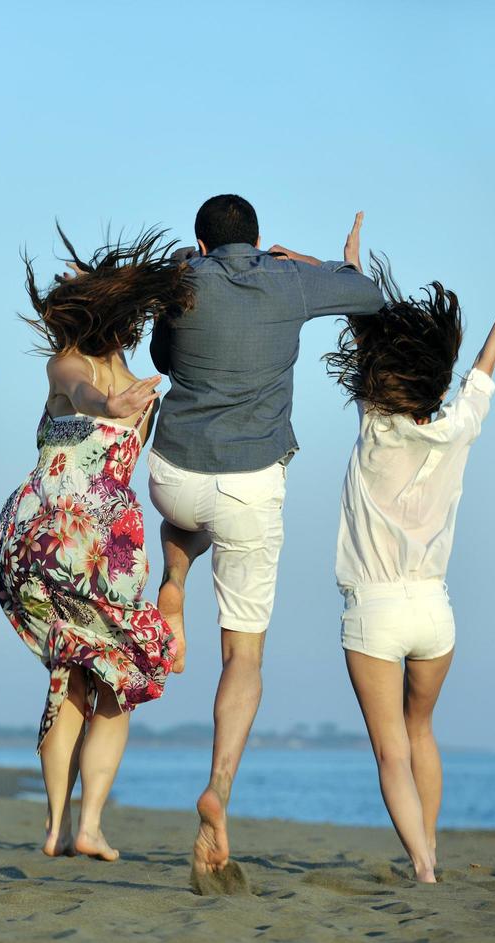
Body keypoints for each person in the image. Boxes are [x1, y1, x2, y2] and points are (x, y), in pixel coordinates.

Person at [145, 198, 383, 886]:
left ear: (200, 240)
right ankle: (218, 785)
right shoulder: (288, 280)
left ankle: (173, 582)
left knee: (184, 521)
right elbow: (367, 295)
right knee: (242, 656)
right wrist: (307, 264)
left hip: (173, 473)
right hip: (251, 487)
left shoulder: (181, 280)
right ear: (257, 239)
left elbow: (160, 356)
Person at [325, 241, 495, 883]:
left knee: (388, 749)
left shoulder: (377, 426)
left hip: (374, 610)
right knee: (420, 731)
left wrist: (353, 276)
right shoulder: (460, 428)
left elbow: (370, 347)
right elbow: (484, 364)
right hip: (435, 612)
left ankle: (423, 865)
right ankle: (431, 850)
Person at [0, 228, 190, 860]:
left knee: (70, 676)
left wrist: (110, 399)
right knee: (113, 684)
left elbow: (80, 390)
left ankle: (61, 826)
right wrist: (115, 403)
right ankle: (87, 824)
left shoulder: (68, 362)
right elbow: (88, 396)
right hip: (105, 543)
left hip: (50, 535)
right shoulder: (112, 380)